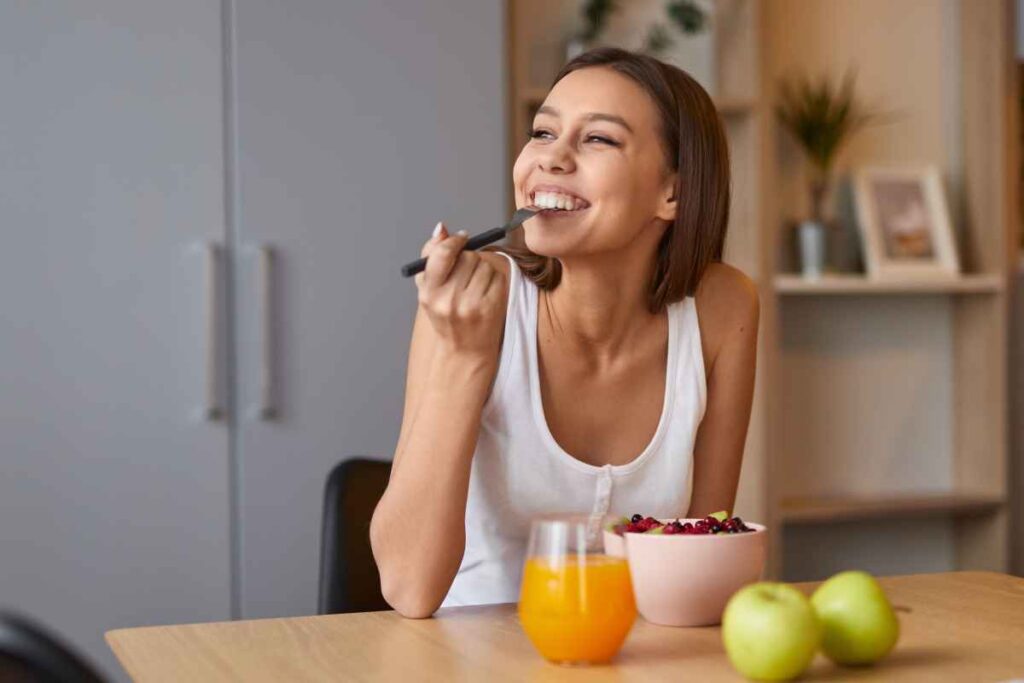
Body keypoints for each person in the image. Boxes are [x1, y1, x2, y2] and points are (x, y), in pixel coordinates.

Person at [370, 47, 759, 618]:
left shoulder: (723, 308)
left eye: (598, 139)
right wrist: (465, 356)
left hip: (634, 657)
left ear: (672, 192)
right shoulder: (474, 303)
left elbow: (696, 566)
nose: (550, 159)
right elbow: (408, 588)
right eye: (543, 132)